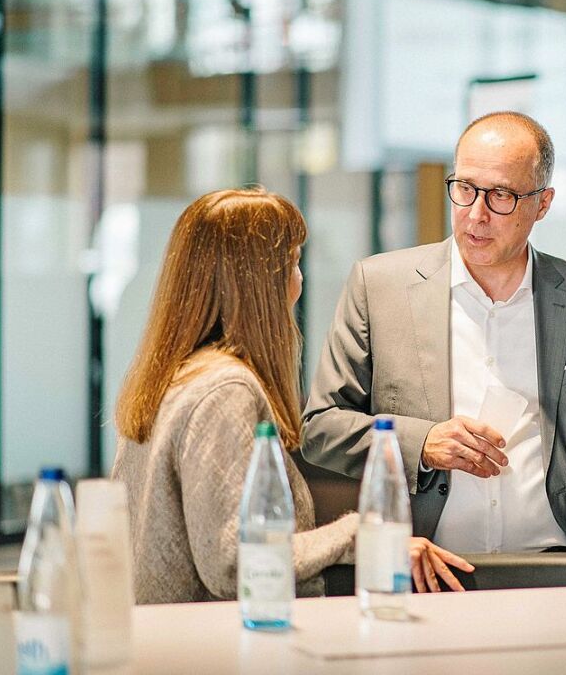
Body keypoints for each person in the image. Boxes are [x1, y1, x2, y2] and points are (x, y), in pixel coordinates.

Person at [302, 112, 566, 584]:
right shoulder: (378, 286)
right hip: (423, 568)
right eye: (464, 188)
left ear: (542, 203)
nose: (477, 214)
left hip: (557, 568)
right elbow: (320, 427)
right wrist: (421, 443)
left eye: (501, 195)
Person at [112, 188, 471, 604]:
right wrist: (359, 532)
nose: (299, 280)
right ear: (260, 281)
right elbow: (235, 562)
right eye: (294, 262)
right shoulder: (226, 391)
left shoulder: (169, 379)